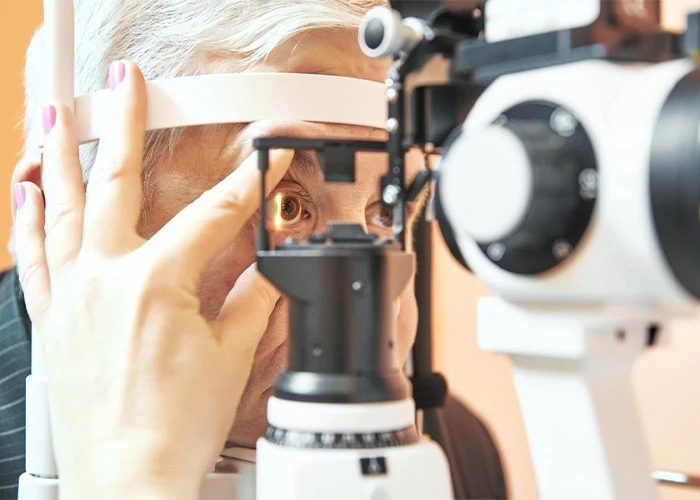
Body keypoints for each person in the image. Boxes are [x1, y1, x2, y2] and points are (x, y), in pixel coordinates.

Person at [0, 1, 508, 498]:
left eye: (385, 213)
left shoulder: (458, 450)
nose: (366, 309)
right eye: (286, 207)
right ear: (60, 221)